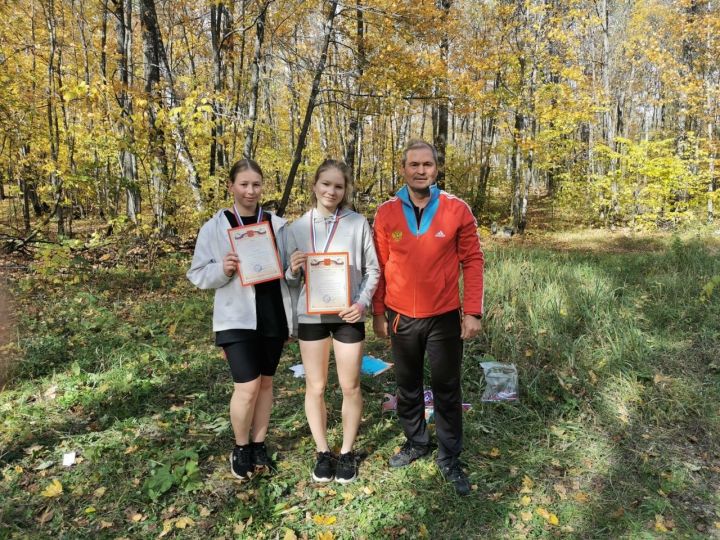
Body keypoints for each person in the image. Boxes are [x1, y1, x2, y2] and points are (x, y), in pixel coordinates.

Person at [372, 140, 484, 496]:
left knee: (447, 387)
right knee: (407, 385)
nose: (421, 170)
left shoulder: (457, 209)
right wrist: (378, 312)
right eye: (414, 164)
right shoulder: (386, 212)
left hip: (445, 317)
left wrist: (473, 312)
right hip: (401, 316)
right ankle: (416, 442)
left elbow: (473, 261)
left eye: (428, 165)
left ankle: (450, 455)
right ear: (403, 168)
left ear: (436, 169)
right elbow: (378, 266)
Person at [187, 158, 293, 480]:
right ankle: (241, 446)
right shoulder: (215, 226)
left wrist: (295, 268)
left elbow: (289, 272)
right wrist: (223, 268)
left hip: (273, 313)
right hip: (235, 318)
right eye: (244, 184)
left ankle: (260, 445)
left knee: (266, 384)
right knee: (247, 386)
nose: (250, 190)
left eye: (256, 184)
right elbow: (197, 274)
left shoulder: (277, 224)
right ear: (231, 186)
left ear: (263, 187)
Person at [286, 159, 380, 484]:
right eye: (326, 184)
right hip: (311, 315)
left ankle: (348, 450)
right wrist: (292, 269)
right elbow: (290, 282)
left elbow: (374, 270)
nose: (331, 191)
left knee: (350, 385)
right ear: (314, 185)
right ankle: (323, 450)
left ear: (345, 190)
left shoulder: (357, 224)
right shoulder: (296, 228)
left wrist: (361, 303)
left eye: (338, 186)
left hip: (347, 315)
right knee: (316, 385)